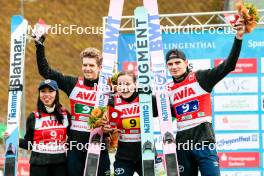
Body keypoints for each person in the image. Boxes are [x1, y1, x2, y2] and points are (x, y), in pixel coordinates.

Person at [166, 18, 246, 176]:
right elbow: (150, 108)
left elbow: (228, 65)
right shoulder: (167, 90)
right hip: (183, 146)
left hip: (204, 143)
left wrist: (238, 37)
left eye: (177, 62)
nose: (174, 67)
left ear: (186, 63)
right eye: (170, 64)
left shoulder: (201, 78)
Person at [35, 37, 110, 176]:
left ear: (100, 67)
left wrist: (109, 128)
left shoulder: (108, 87)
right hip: (76, 145)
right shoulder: (73, 83)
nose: (87, 68)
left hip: (99, 143)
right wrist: (39, 45)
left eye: (91, 65)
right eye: (85, 65)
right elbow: (46, 71)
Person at [96, 71, 158, 176]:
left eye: (127, 84)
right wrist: (105, 130)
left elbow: (168, 113)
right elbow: (106, 130)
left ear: (135, 85)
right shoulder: (112, 102)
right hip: (123, 157)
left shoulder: (146, 98)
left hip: (147, 154)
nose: (123, 88)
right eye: (120, 84)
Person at [4, 79, 70, 176]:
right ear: (39, 94)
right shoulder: (33, 116)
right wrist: (13, 139)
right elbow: (29, 144)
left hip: (60, 165)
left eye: (51, 91)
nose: (46, 94)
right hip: (38, 165)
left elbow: (73, 137)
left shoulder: (65, 115)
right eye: (43, 91)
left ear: (56, 93)